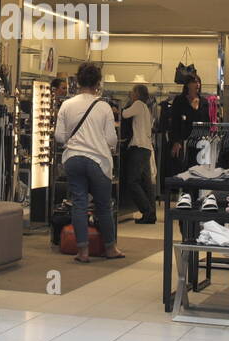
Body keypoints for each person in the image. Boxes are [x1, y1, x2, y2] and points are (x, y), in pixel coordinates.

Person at [54, 62, 124, 263]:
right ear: (97, 83)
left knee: (79, 204)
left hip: (73, 159)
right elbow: (111, 139)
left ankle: (82, 251)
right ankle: (110, 248)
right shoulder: (103, 106)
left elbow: (59, 136)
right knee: (103, 205)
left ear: (78, 81)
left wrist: (74, 142)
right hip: (98, 161)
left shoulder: (67, 105)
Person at [120, 84, 156, 224]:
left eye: (132, 91)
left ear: (137, 94)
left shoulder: (138, 104)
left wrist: (119, 108)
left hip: (138, 147)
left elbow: (124, 114)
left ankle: (146, 211)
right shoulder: (146, 108)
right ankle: (151, 213)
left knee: (132, 181)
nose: (130, 93)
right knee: (146, 183)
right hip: (146, 148)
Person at [166, 73, 206, 179]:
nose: (197, 84)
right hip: (182, 142)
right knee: (182, 173)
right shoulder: (180, 100)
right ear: (187, 85)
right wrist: (176, 141)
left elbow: (207, 122)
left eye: (198, 82)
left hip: (200, 143)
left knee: (199, 174)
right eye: (194, 82)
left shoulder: (204, 102)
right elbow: (174, 123)